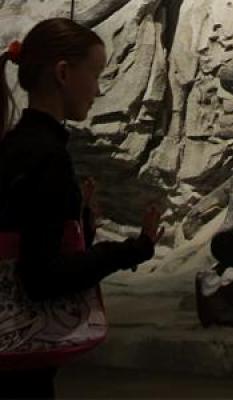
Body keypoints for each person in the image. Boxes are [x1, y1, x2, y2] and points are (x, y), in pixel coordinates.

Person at [0, 18, 164, 398]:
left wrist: (81, 226)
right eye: (94, 74)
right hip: (20, 371)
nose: (98, 89)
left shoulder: (14, 145)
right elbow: (42, 278)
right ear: (62, 73)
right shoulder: (47, 156)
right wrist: (133, 249)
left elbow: (21, 241)